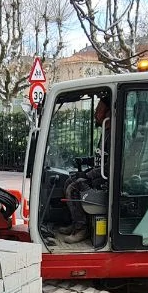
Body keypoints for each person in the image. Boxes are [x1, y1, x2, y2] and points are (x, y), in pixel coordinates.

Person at [58, 95, 111, 242]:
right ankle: (76, 223)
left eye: (98, 110)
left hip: (106, 179)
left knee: (74, 187)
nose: (95, 114)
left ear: (108, 114)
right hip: (100, 174)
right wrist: (86, 161)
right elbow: (102, 158)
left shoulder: (113, 136)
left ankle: (82, 229)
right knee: (69, 181)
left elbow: (108, 167)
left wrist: (87, 175)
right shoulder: (105, 133)